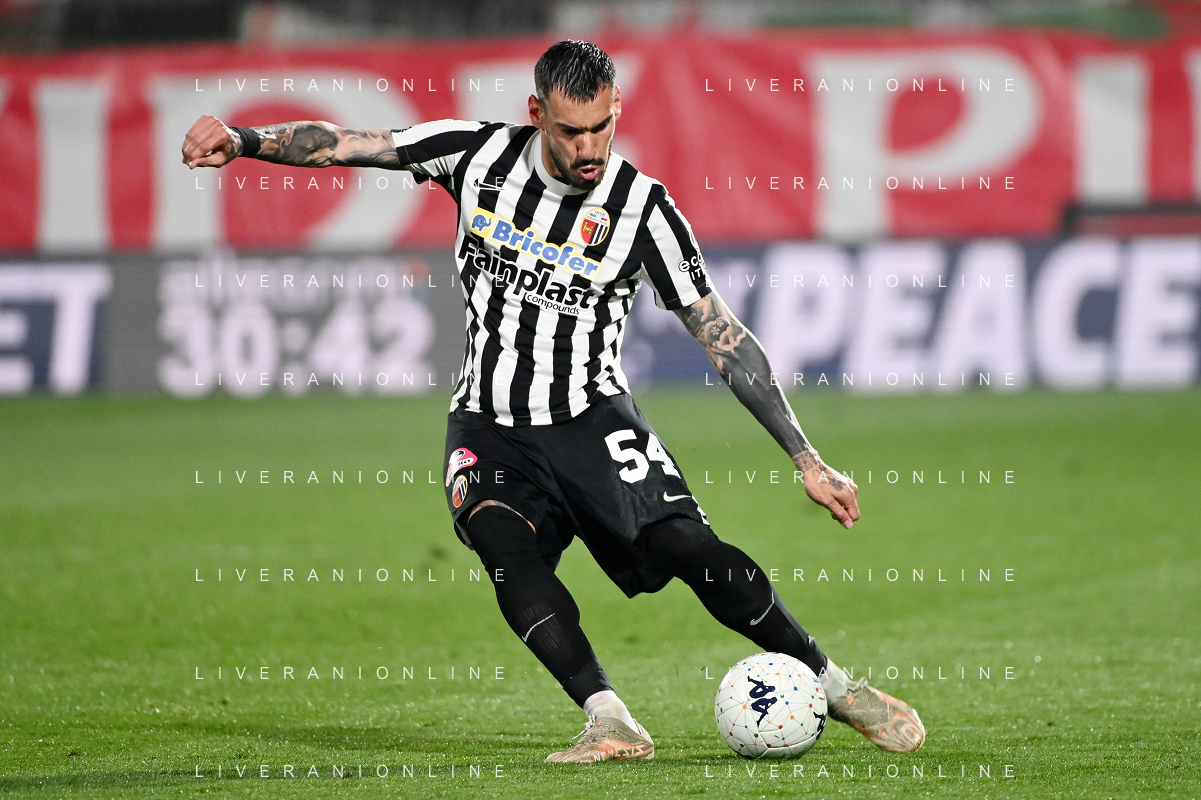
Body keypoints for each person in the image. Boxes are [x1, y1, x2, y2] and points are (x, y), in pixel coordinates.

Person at [181, 39, 925, 763]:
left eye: (602, 125)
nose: (588, 147)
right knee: (504, 547)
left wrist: (805, 458)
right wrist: (244, 140)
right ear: (536, 113)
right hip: (488, 421)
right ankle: (609, 718)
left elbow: (721, 335)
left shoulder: (643, 211)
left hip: (592, 418)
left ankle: (833, 686)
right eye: (570, 131)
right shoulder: (473, 154)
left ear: (617, 107)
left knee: (687, 549)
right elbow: (346, 144)